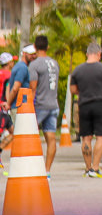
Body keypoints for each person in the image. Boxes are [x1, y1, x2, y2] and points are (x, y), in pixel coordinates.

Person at [70, 42, 102, 177]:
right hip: (100, 104)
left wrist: (84, 92)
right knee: (101, 137)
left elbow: (73, 90)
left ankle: (88, 168)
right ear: (98, 54)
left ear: (86, 54)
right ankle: (95, 168)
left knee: (86, 138)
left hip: (83, 105)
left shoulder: (77, 70)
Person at [29, 35, 60, 173]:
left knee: (29, 135)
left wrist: (28, 106)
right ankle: (46, 171)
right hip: (53, 104)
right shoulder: (54, 63)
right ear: (48, 47)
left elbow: (33, 88)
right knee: (51, 138)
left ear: (35, 47)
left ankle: (30, 167)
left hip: (40, 105)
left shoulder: (34, 64)